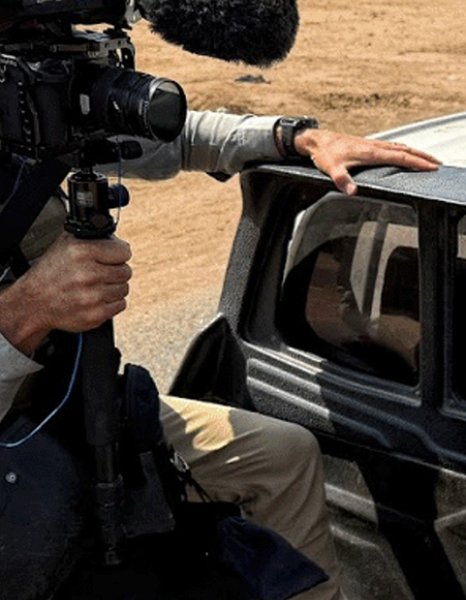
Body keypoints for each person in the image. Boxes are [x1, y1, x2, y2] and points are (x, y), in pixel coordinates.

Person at [0, 110, 440, 600]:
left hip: (70, 408)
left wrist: (294, 137)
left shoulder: (19, 107)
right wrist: (26, 312)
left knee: (284, 456)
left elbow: (151, 127)